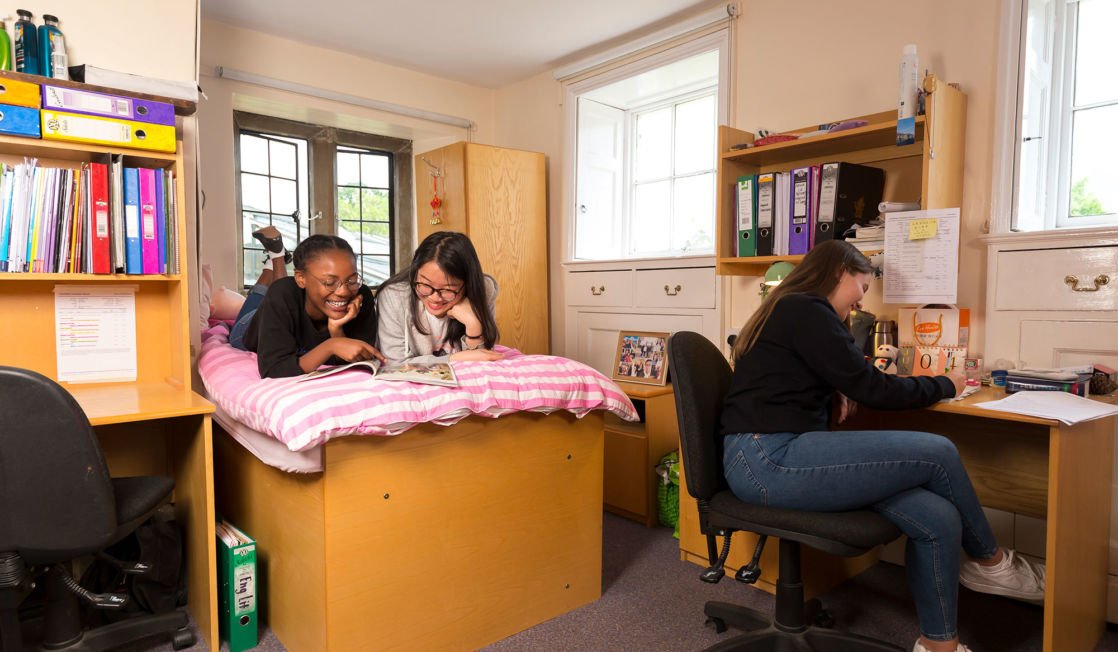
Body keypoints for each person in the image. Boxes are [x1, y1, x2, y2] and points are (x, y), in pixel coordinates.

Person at [720, 239, 1044, 652]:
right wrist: (948, 383)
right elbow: (872, 388)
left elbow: (827, 378)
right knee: (938, 451)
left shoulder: (791, 309)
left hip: (778, 452)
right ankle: (991, 563)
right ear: (840, 272)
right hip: (767, 458)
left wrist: (836, 389)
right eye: (861, 288)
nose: (858, 304)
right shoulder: (805, 308)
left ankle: (938, 645)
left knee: (938, 516)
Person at [230, 227, 382, 379]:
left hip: (284, 309)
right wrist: (332, 345)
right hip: (247, 330)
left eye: (352, 280)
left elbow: (359, 361)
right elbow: (274, 370)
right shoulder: (282, 293)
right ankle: (276, 258)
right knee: (262, 299)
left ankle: (271, 263)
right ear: (300, 278)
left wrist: (336, 332)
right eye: (329, 282)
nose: (344, 292)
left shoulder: (361, 296)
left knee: (272, 295)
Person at [376, 231, 501, 365]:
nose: (435, 298)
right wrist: (453, 359)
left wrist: (473, 324)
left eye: (447, 289)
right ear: (414, 274)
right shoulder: (394, 297)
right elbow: (394, 363)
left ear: (468, 284)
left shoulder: (484, 289)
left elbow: (484, 358)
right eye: (425, 284)